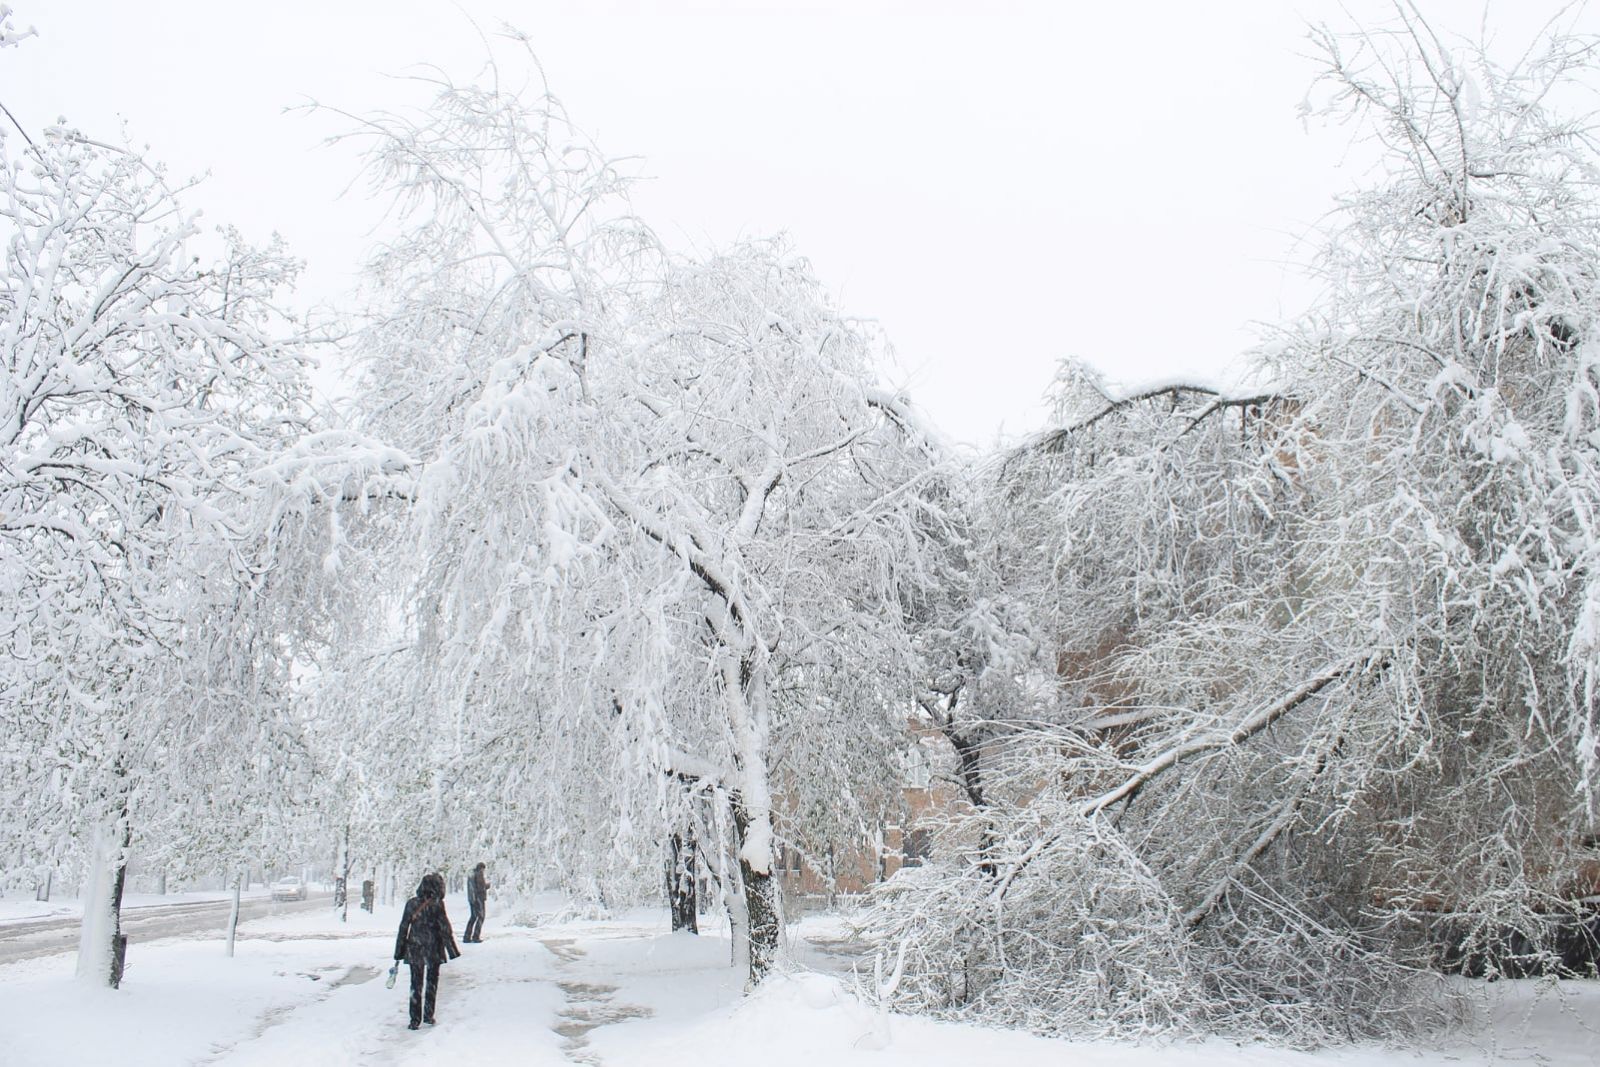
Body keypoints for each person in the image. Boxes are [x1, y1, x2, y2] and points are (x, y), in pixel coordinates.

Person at [393, 875, 462, 1029]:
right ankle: (428, 1015)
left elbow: (404, 927)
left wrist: (399, 951)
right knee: (432, 982)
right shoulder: (437, 904)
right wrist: (452, 950)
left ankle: (414, 1020)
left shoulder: (411, 903)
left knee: (415, 984)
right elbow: (445, 928)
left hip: (415, 948)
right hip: (433, 948)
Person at [464, 862, 489, 942]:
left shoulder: (471, 875)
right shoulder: (479, 874)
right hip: (479, 899)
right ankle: (476, 936)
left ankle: (467, 936)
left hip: (472, 899)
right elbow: (480, 887)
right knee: (481, 917)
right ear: (481, 868)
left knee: (473, 917)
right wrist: (486, 886)